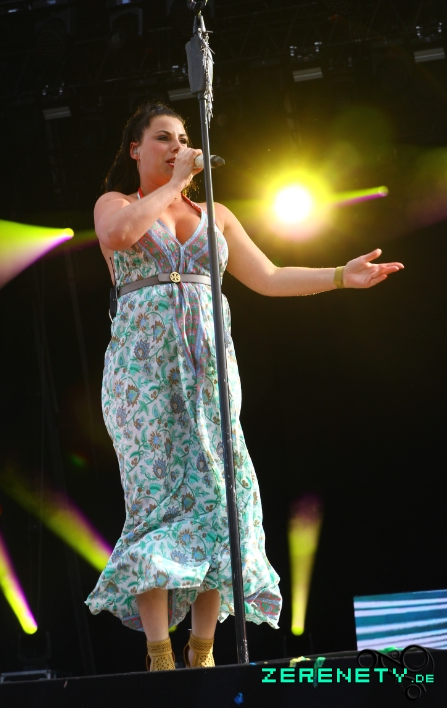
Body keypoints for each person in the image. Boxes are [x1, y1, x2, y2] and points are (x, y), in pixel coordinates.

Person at [85, 102, 403, 671]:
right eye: (163, 138)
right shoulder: (116, 204)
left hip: (209, 374)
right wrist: (174, 184)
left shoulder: (218, 215)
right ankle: (159, 653)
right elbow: (120, 234)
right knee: (154, 502)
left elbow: (270, 276)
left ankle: (202, 649)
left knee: (221, 497)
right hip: (143, 378)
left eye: (182, 138)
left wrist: (340, 276)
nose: (176, 147)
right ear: (135, 149)